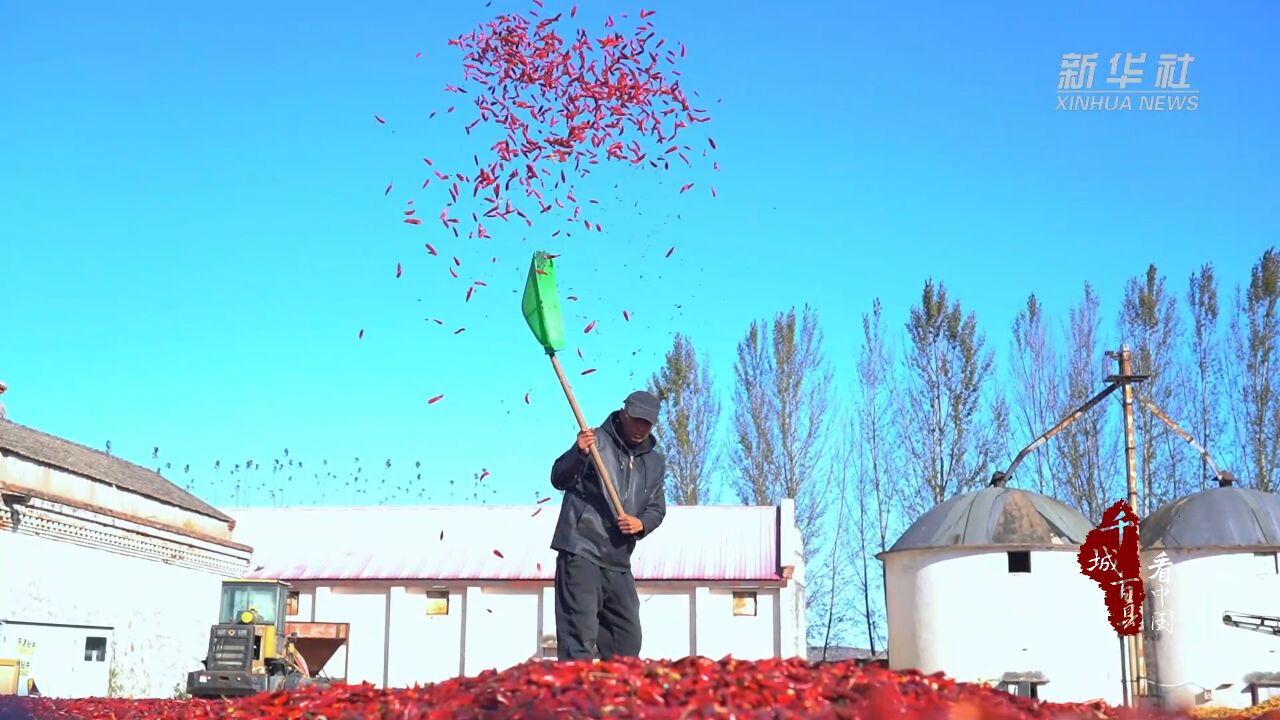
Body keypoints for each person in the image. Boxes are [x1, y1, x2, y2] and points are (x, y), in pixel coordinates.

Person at [549, 390, 667, 660]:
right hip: (582, 548)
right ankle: (573, 697)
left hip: (618, 559)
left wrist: (641, 524)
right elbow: (559, 478)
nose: (641, 428)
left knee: (627, 640)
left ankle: (616, 699)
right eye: (636, 420)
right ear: (624, 413)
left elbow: (657, 508)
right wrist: (578, 453)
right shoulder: (595, 441)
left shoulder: (655, 462)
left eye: (647, 423)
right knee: (579, 635)